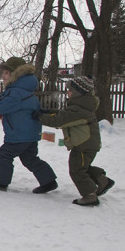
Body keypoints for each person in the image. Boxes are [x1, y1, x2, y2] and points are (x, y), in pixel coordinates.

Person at [0, 56, 58, 193]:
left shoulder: (15, 92)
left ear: (16, 75)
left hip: (18, 135)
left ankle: (0, 182)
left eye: (6, 73)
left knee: (5, 154)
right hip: (30, 134)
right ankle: (49, 181)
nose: (3, 76)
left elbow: (1, 107)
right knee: (30, 158)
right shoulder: (25, 91)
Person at [38, 76, 114, 206]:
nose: (67, 92)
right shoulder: (81, 107)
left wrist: (39, 117)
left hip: (83, 146)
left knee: (76, 170)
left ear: (78, 93)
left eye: (70, 90)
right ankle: (102, 180)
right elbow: (64, 115)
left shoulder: (78, 109)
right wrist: (49, 112)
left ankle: (89, 195)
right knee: (82, 167)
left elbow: (59, 121)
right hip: (87, 144)